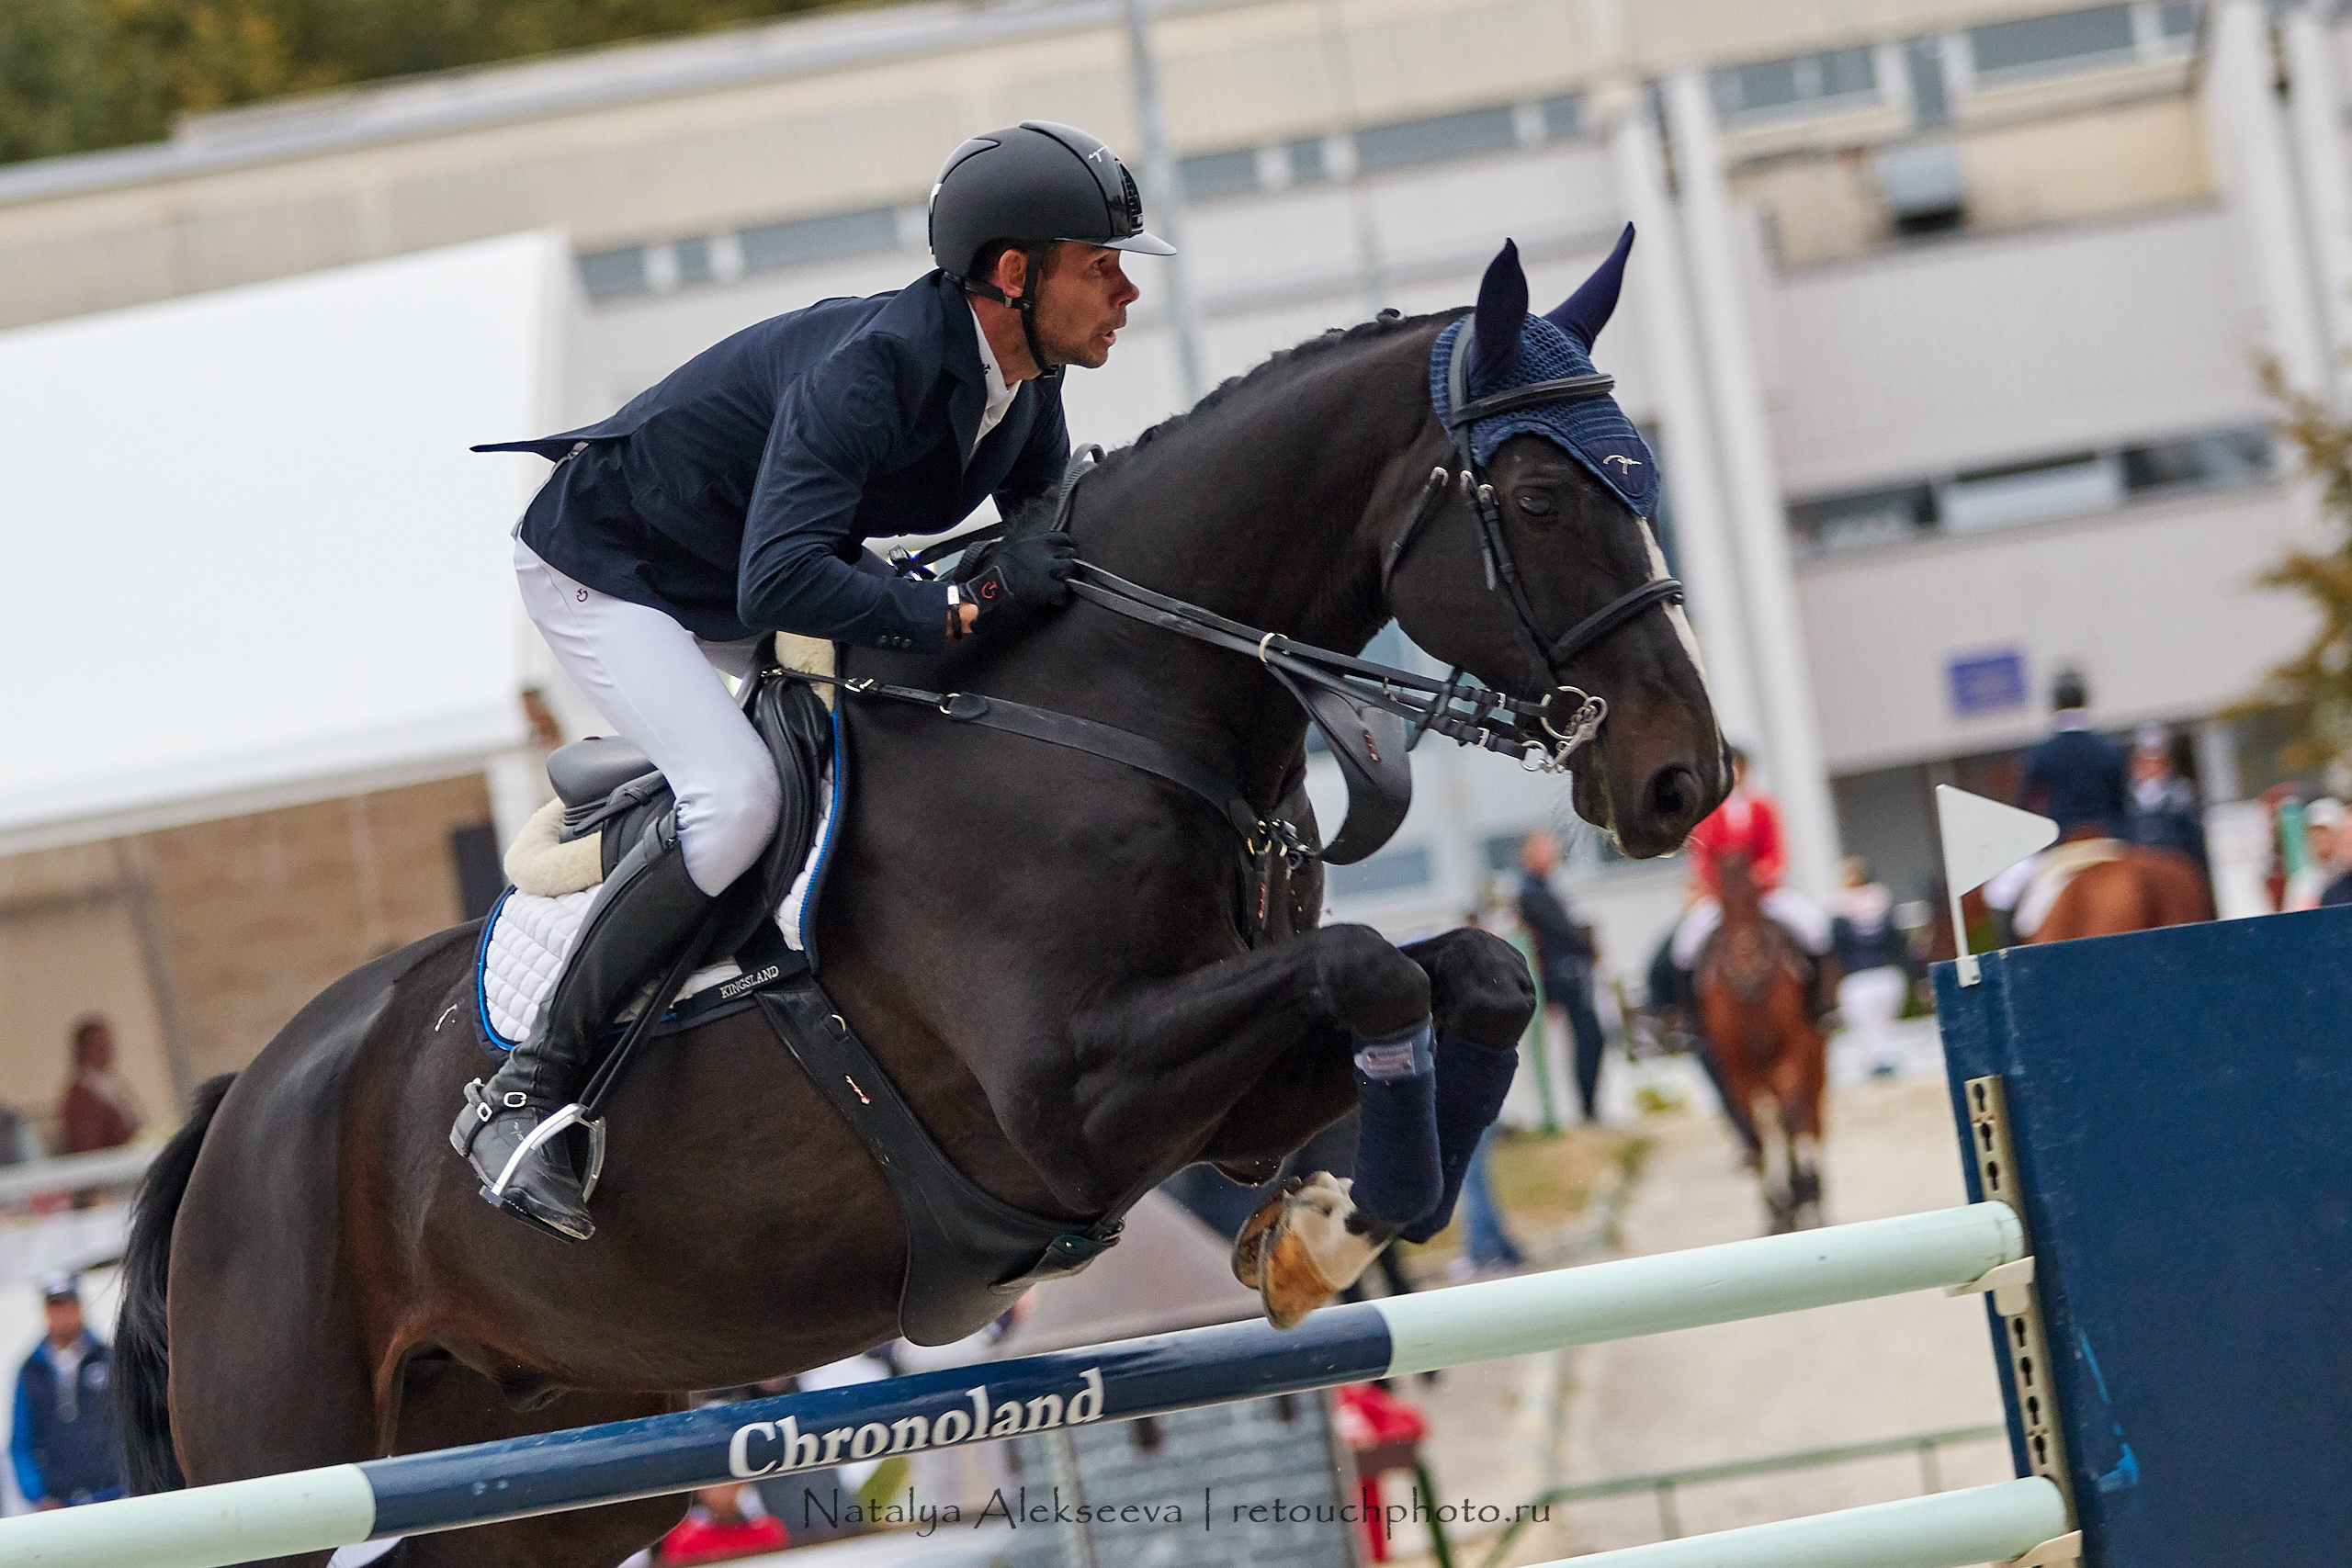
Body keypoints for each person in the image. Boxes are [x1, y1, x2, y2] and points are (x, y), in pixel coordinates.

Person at [451, 122, 1173, 1241]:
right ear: (1013, 274)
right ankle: (523, 1091)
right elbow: (784, 577)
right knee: (737, 797)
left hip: (741, 568)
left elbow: (1037, 536)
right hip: (613, 569)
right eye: (1101, 265)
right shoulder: (871, 371)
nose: (1126, 291)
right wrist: (962, 607)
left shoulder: (1025, 380)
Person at [1664, 748, 1834, 1017]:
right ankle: (1692, 1017)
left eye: (1738, 769)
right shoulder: (1707, 815)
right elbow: (1703, 861)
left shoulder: (1763, 807)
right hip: (1722, 898)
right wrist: (1724, 888)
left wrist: (1758, 877)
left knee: (1814, 926)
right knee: (1685, 943)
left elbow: (1776, 853)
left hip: (1763, 894)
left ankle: (1820, 1003)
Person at [10, 1274, 125, 1510]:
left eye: (67, 1305)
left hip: (113, 1494)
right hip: (59, 1503)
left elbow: (131, 1424)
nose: (62, 1315)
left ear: (79, 1307)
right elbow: (21, 1440)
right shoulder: (31, 1371)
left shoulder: (108, 1360)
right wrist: (37, 1495)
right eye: (55, 1307)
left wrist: (130, 1480)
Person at [1515, 831, 1607, 1122]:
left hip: (1566, 970)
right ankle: (1588, 1109)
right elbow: (1562, 930)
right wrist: (1587, 942)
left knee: (1590, 1037)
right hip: (1562, 974)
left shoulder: (1543, 888)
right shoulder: (1531, 892)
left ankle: (1590, 1107)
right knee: (1590, 1036)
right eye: (1547, 848)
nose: (1553, 854)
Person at [1831, 857, 1914, 1077]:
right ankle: (1881, 1058)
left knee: (1876, 1024)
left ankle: (1881, 1059)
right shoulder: (1882, 904)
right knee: (1872, 1025)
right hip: (1874, 976)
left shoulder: (1845, 910)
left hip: (1868, 976)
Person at [2125, 723, 2207, 873]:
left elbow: (2193, 840)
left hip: (2175, 863)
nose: (2151, 767)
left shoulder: (2181, 794)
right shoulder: (2125, 796)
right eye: (2145, 761)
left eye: (2157, 761)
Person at [58, 1018, 140, 1156]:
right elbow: (88, 1148)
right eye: (101, 1046)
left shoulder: (112, 1086)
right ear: (84, 1051)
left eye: (109, 1046)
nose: (108, 1052)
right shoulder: (81, 1096)